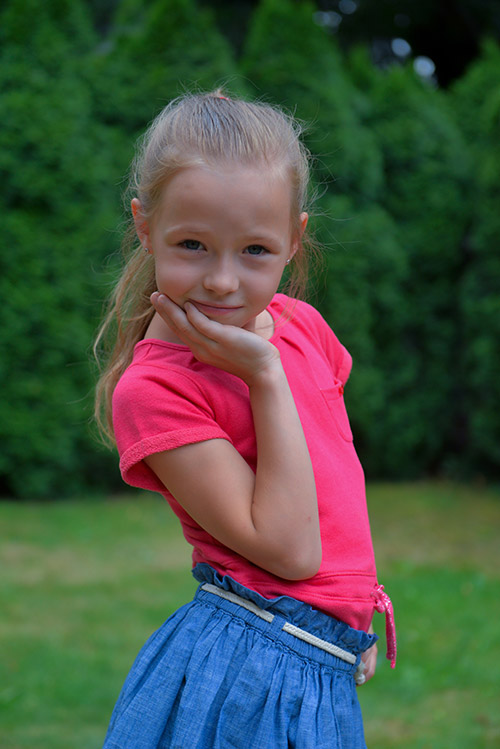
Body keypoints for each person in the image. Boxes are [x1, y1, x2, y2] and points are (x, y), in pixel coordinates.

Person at [94, 90, 396, 749]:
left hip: (319, 660)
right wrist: (264, 375)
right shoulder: (155, 388)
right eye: (193, 245)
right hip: (247, 670)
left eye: (255, 249)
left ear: (294, 239)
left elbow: (334, 478)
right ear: (145, 225)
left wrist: (353, 606)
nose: (223, 281)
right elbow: (289, 550)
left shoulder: (303, 327)